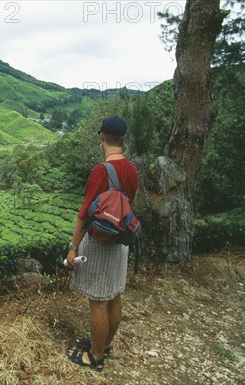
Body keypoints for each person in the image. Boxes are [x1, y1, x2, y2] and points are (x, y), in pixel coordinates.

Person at [64, 115, 139, 372]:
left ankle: (95, 357)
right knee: (114, 295)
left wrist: (73, 247)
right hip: (120, 243)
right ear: (123, 140)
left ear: (101, 137)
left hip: (100, 243)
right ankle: (104, 345)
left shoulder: (101, 170)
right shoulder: (131, 169)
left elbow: (84, 213)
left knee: (97, 300)